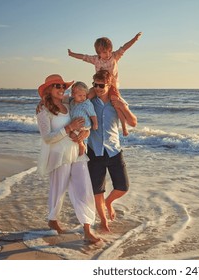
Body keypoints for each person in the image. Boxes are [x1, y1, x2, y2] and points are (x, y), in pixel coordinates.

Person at [36, 74, 101, 244]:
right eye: (56, 86)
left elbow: (89, 92)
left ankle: (87, 228)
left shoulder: (68, 102)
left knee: (84, 188)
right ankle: (53, 219)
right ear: (49, 90)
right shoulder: (43, 111)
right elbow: (47, 138)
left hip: (78, 151)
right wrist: (69, 128)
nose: (61, 88)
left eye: (62, 86)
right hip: (59, 155)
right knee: (58, 190)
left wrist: (86, 131)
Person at [87, 69, 137, 232]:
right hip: (95, 152)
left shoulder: (117, 101)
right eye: (95, 84)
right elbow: (71, 102)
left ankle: (109, 203)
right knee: (97, 190)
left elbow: (133, 122)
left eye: (101, 85)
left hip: (114, 151)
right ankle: (103, 221)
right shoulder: (90, 102)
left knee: (123, 187)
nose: (98, 88)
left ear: (109, 85)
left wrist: (123, 106)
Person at [68, 32, 142, 136]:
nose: (107, 54)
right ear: (98, 53)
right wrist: (72, 54)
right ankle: (82, 125)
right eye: (104, 52)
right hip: (93, 148)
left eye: (109, 51)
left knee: (116, 104)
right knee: (86, 98)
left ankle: (124, 128)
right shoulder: (96, 60)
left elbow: (125, 47)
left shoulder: (114, 57)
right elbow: (84, 57)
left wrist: (135, 39)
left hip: (112, 86)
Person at [69, 81, 98, 156]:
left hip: (84, 125)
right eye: (80, 95)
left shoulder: (86, 103)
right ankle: (80, 147)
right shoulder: (72, 102)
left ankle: (82, 145)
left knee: (75, 136)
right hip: (76, 125)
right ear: (73, 95)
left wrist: (95, 123)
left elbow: (92, 114)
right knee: (72, 136)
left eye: (84, 95)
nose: (82, 98)